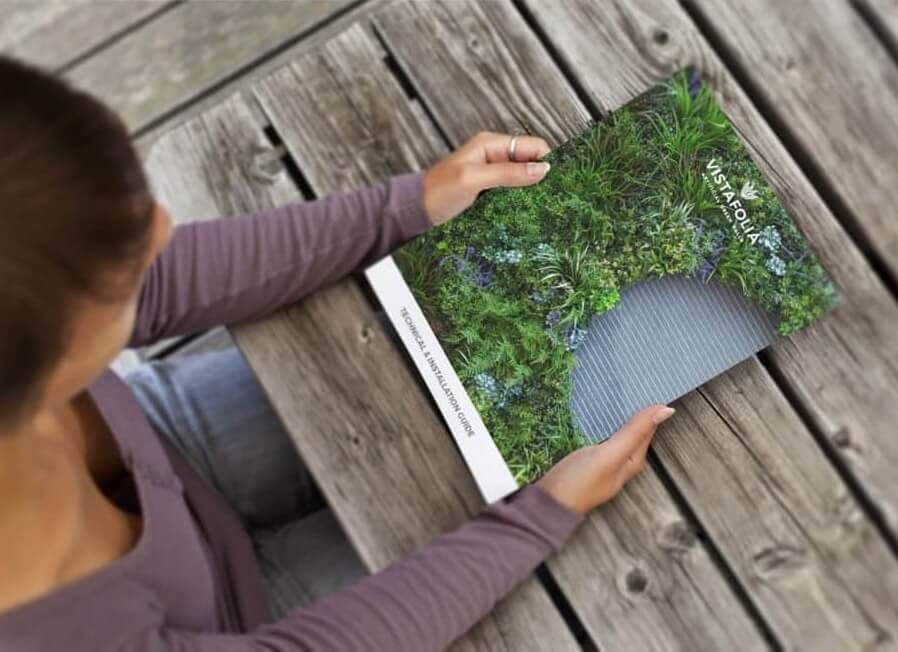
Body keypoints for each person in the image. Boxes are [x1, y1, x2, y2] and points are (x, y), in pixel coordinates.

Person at [0, 56, 675, 651]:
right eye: (122, 273)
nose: (166, 228)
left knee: (462, 382)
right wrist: (539, 519)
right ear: (49, 368)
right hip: (245, 625)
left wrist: (406, 205)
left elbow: (163, 279)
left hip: (158, 449)